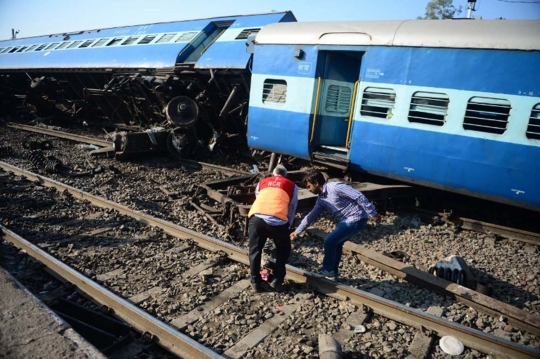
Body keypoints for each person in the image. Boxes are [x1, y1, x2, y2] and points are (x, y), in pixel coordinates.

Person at [290, 170, 380, 280]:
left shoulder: (335, 187)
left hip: (357, 218)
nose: (308, 190)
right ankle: (333, 273)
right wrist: (297, 231)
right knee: (336, 243)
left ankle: (328, 269)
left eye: (309, 186)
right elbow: (312, 215)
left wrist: (372, 213)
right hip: (347, 221)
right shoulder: (321, 200)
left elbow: (358, 196)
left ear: (316, 183)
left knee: (329, 240)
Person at [248, 164, 298, 292]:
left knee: (255, 250)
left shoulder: (262, 182)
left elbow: (258, 198)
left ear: (273, 174)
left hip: (257, 218)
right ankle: (277, 280)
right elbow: (292, 207)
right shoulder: (291, 185)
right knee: (283, 250)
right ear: (285, 175)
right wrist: (288, 226)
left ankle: (255, 282)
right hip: (278, 220)